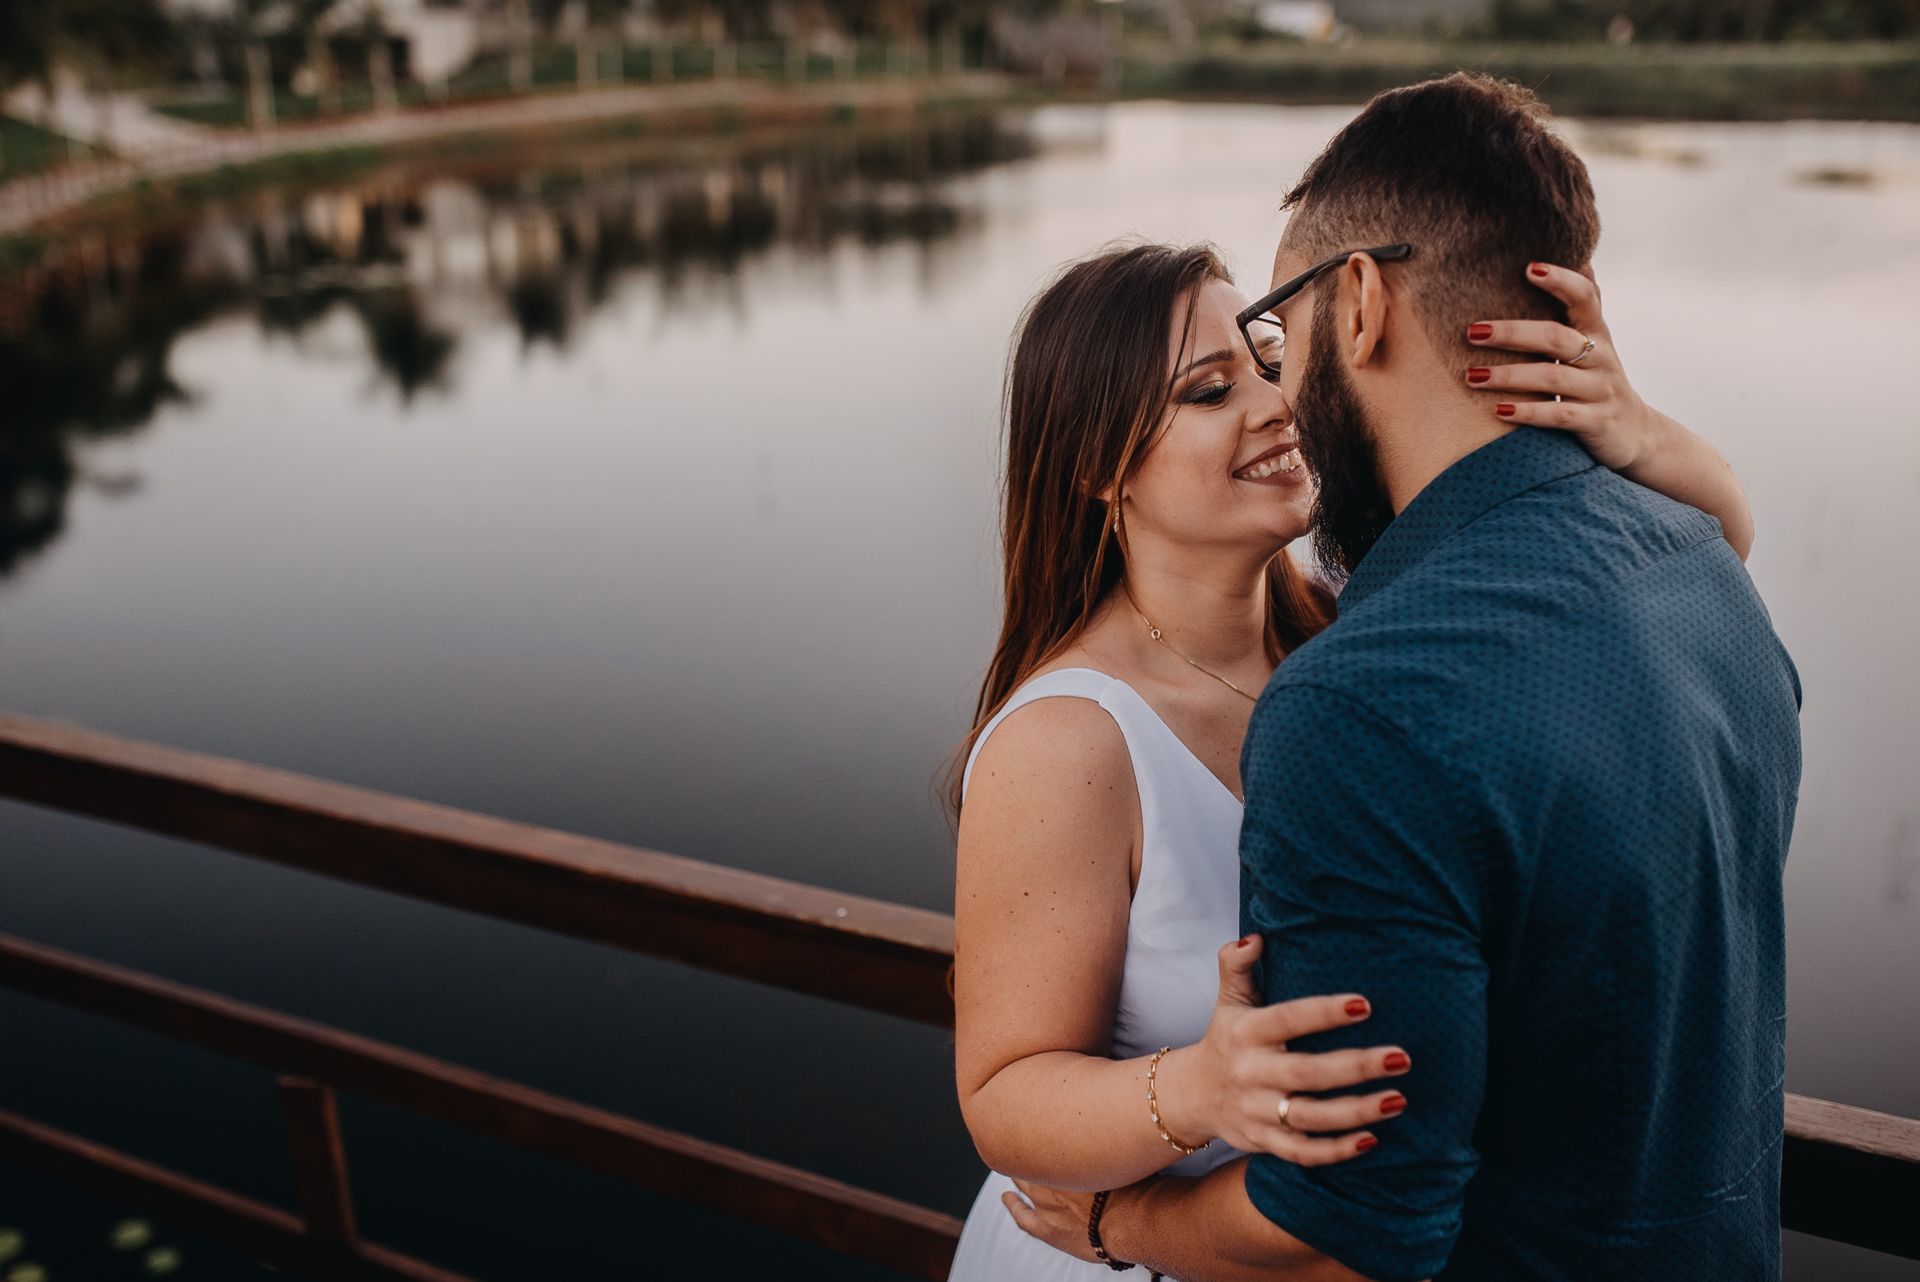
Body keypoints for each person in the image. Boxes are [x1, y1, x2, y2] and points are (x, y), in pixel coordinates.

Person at [956, 73, 1793, 1282]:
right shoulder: (1071, 739)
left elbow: (1685, 563)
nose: (1277, 400)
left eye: (1263, 354)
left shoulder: (1357, 652)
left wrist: (1634, 428)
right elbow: (1002, 1094)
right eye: (1208, 390)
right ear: (1096, 468)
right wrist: (1194, 1089)